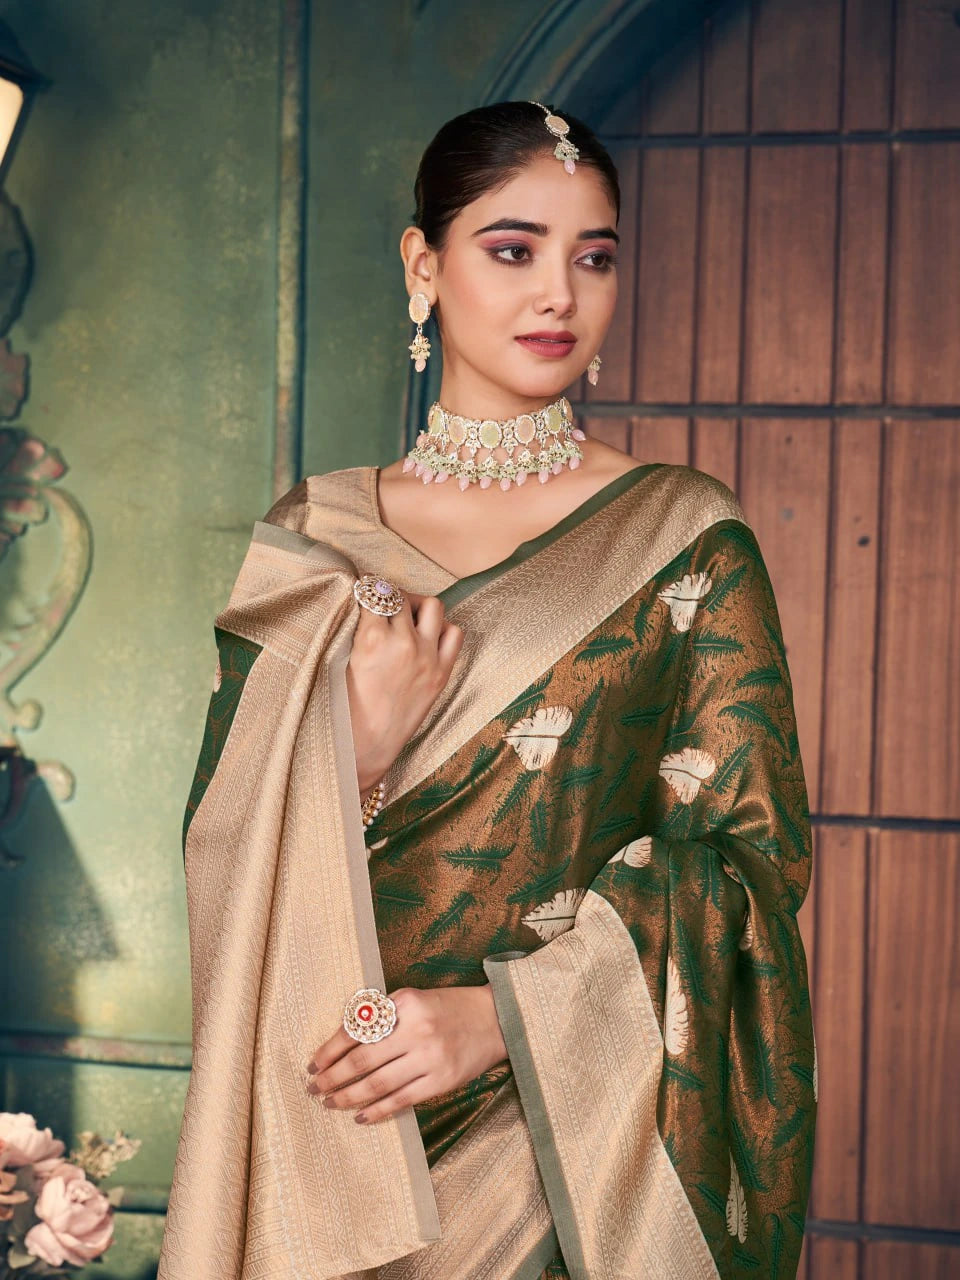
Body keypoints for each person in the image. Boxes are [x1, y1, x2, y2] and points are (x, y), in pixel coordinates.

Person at [159, 102, 817, 1280]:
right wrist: (350, 746)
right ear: (426, 265)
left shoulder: (684, 535)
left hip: (561, 1162)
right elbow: (222, 846)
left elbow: (747, 866)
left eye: (594, 255)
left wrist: (501, 1018)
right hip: (327, 1114)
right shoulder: (316, 533)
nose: (558, 292)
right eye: (514, 249)